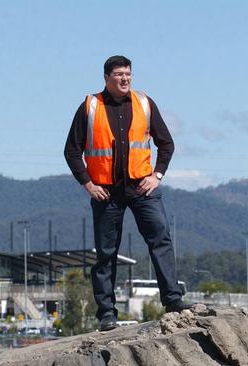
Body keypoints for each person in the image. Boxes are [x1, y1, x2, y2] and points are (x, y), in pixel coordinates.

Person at [64, 55, 192, 331]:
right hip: (106, 193)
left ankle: (172, 300)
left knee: (161, 241)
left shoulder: (144, 103)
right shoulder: (90, 107)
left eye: (128, 74)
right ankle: (107, 315)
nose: (125, 79)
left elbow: (166, 144)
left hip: (142, 189)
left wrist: (156, 175)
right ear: (106, 78)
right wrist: (88, 183)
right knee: (106, 254)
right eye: (119, 74)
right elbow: (72, 151)